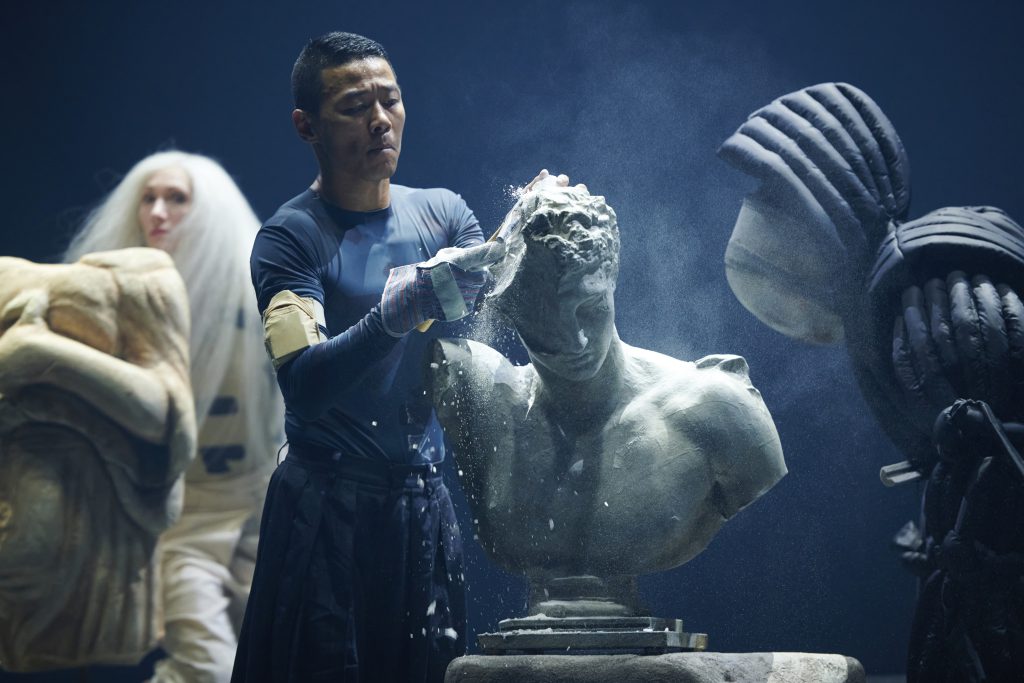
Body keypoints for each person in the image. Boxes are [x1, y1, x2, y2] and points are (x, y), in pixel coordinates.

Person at [232, 31, 563, 683]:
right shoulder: (290, 240)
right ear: (307, 126)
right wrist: (391, 317)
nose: (380, 119)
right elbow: (303, 383)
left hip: (421, 509)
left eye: (390, 99)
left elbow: (482, 289)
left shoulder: (441, 213)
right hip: (326, 512)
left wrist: (525, 231)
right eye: (355, 105)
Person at [65, 150, 285, 683]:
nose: (158, 212)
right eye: (149, 198)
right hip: (188, 518)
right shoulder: (116, 298)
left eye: (176, 198)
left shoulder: (256, 284)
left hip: (268, 513)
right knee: (202, 667)